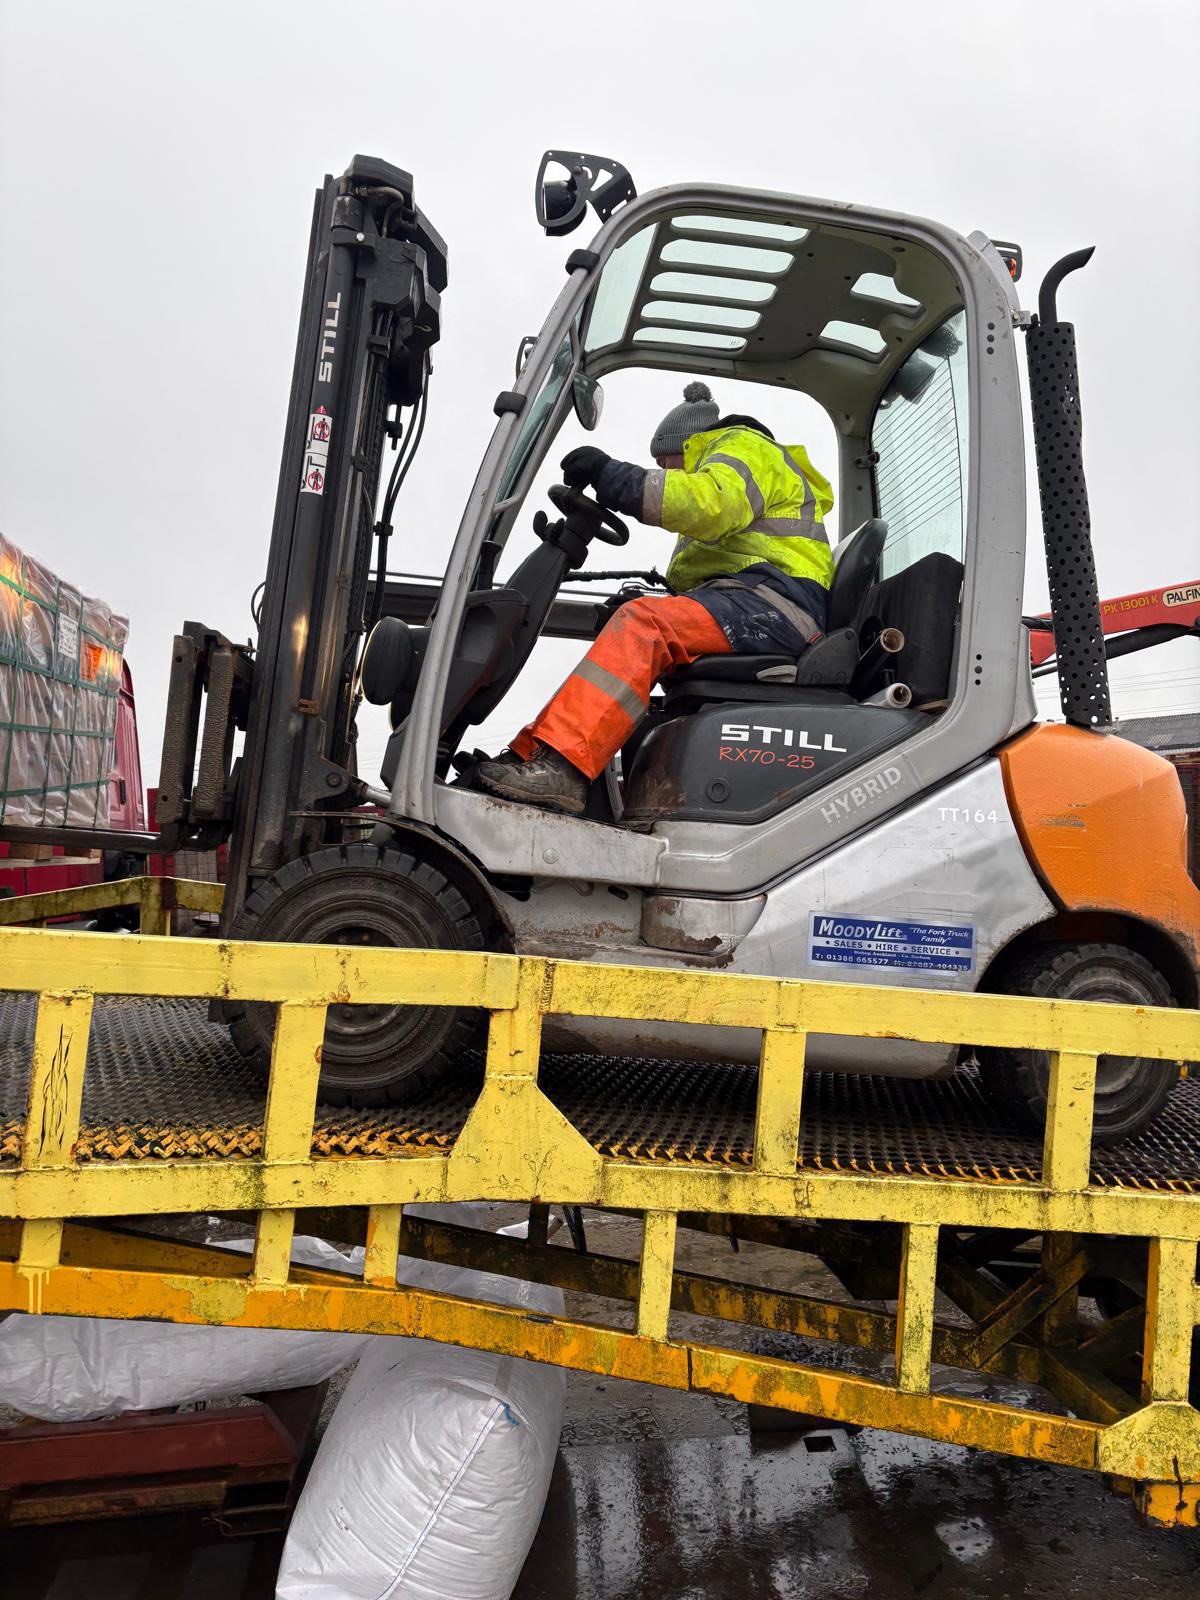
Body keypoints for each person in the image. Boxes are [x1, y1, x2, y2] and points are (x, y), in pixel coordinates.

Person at [477, 381, 834, 814]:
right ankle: (530, 758)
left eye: (665, 463)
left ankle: (563, 767)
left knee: (644, 624)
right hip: (754, 600)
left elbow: (708, 504)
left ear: (689, 445)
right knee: (632, 617)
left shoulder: (743, 446)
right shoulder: (736, 461)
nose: (664, 472)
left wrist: (613, 477)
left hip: (776, 605)